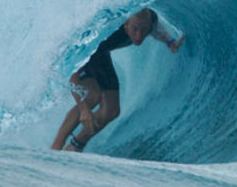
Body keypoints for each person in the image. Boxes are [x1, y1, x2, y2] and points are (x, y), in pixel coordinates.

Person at [52, 8, 185, 152]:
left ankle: (75, 145)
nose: (139, 35)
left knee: (111, 111)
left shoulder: (149, 19)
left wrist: (170, 42)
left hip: (101, 55)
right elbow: (73, 77)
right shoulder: (106, 31)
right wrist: (83, 108)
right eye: (134, 29)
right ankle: (55, 149)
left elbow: (157, 31)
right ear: (126, 24)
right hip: (84, 53)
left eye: (143, 30)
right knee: (92, 96)